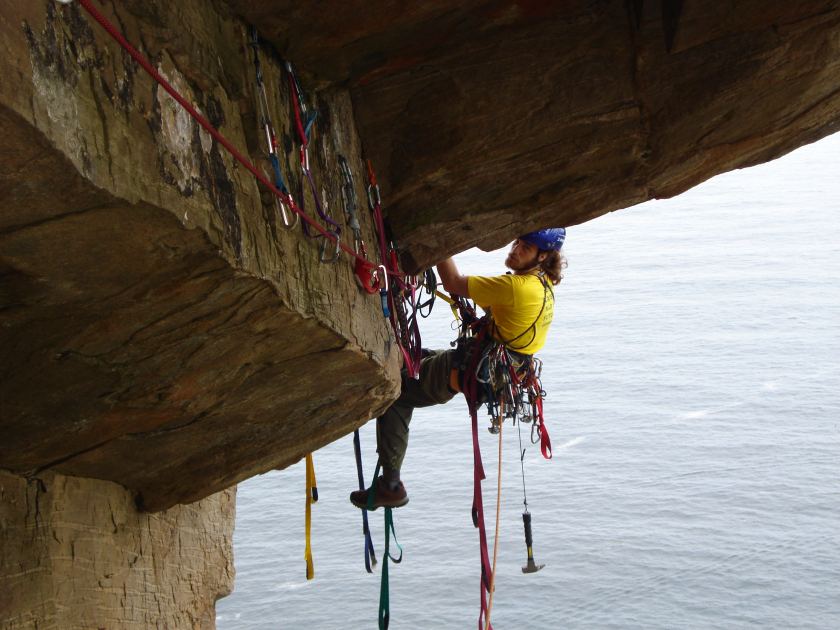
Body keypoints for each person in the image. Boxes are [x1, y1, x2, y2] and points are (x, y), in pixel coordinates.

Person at [350, 229, 567, 510]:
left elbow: (452, 283)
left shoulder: (517, 288)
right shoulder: (544, 284)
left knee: (398, 393)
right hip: (491, 366)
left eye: (525, 248)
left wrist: (440, 243)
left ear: (543, 256)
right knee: (417, 359)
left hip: (471, 367)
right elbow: (497, 306)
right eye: (517, 243)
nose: (514, 250)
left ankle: (390, 485)